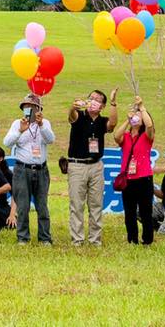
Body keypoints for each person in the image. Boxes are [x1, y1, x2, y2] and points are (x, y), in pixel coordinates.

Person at [65, 86, 118, 246]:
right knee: (76, 204)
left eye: (97, 100)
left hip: (96, 165)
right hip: (77, 165)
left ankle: (95, 240)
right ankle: (77, 239)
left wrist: (113, 103)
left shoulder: (102, 121)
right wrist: (73, 107)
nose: (93, 102)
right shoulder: (79, 115)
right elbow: (71, 116)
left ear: (102, 106)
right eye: (91, 98)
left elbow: (112, 124)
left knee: (96, 204)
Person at [2, 92, 54, 245]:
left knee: (42, 205)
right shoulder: (17, 123)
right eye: (26, 107)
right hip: (22, 169)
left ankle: (45, 237)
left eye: (32, 106)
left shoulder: (45, 123)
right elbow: (7, 142)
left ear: (39, 109)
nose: (29, 109)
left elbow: (51, 139)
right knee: (22, 205)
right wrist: (20, 131)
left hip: (41, 169)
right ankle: (23, 237)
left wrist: (41, 125)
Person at [114, 96, 156, 245]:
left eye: (139, 116)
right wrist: (127, 120)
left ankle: (147, 240)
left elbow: (150, 126)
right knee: (129, 211)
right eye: (135, 115)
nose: (136, 117)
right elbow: (116, 136)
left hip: (144, 177)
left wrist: (142, 108)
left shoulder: (146, 136)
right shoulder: (126, 136)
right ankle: (132, 239)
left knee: (145, 211)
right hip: (128, 179)